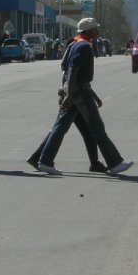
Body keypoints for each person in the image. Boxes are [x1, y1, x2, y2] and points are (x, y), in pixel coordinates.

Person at [35, 18, 132, 177]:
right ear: (87, 31)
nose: (97, 32)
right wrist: (69, 95)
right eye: (95, 29)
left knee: (61, 128)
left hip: (75, 91)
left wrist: (89, 95)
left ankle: (42, 160)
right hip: (79, 93)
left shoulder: (73, 44)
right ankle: (115, 163)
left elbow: (66, 69)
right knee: (97, 128)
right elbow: (73, 71)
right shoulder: (83, 46)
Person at [26, 37, 109, 174]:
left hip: (74, 96)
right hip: (73, 97)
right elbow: (73, 78)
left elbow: (80, 79)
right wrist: (69, 96)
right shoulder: (75, 55)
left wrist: (95, 96)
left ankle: (94, 163)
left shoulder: (72, 53)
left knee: (84, 132)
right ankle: (45, 160)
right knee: (59, 129)